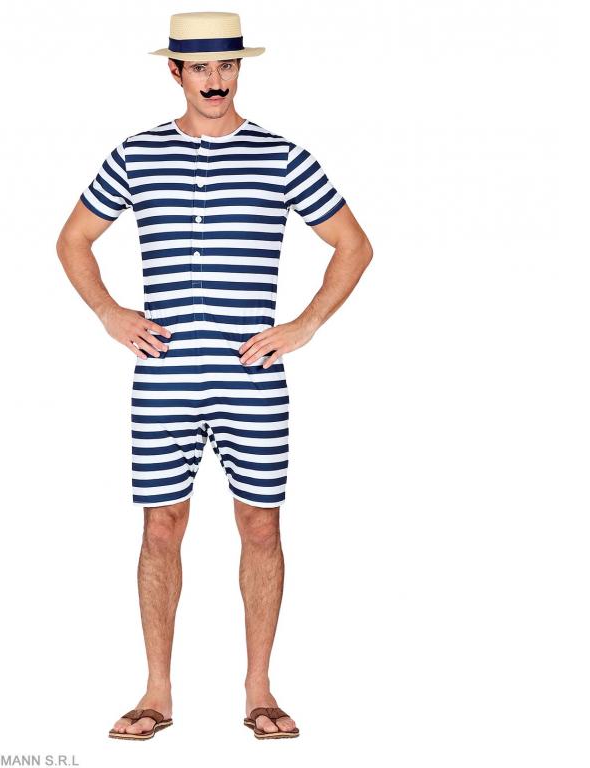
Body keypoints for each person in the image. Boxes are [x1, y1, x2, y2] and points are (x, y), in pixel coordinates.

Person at [56, 11, 373, 741]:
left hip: (251, 377)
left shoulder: (282, 156)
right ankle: (157, 692)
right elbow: (73, 239)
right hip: (163, 376)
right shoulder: (136, 154)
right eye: (200, 67)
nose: (215, 80)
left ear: (239, 69)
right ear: (175, 71)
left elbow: (353, 245)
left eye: (226, 65)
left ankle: (259, 689)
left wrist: (304, 325)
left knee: (260, 525)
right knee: (160, 527)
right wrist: (108, 311)